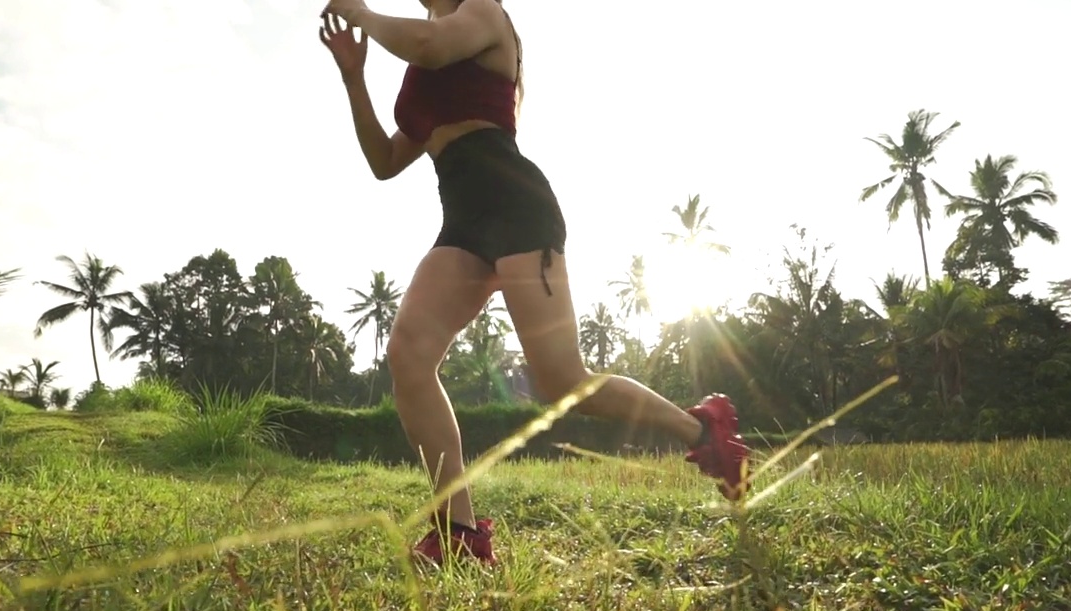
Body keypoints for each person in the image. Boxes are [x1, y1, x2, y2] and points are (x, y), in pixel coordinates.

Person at [318, 0, 750, 566]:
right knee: (408, 356)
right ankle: (460, 533)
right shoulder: (420, 56)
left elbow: (431, 46)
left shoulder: (483, 15)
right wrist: (354, 77)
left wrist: (364, 14)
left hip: (517, 207)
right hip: (464, 222)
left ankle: (700, 429)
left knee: (562, 383)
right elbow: (385, 160)